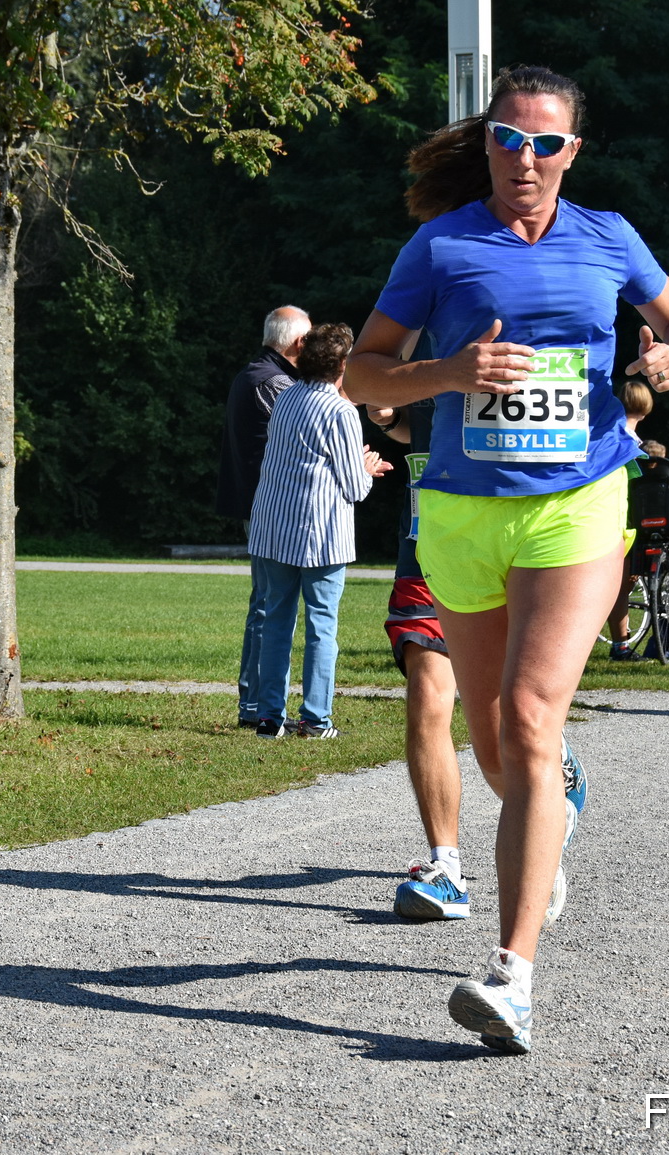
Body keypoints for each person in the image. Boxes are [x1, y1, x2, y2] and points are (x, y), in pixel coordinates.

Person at [345, 64, 669, 1053]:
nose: (526, 158)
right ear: (489, 143)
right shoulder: (442, 243)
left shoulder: (607, 236)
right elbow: (359, 371)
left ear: (571, 153)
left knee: (534, 721)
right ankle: (552, 820)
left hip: (579, 504)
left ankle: (512, 977)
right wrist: (448, 372)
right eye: (510, 139)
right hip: (464, 514)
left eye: (547, 143)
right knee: (498, 737)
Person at [369, 397, 487, 921]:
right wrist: (389, 414)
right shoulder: (425, 349)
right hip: (426, 556)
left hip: (508, 559)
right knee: (426, 695)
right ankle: (448, 870)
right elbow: (409, 424)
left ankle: (554, 766)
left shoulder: (532, 347)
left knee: (511, 716)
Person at [247, 322, 390, 739]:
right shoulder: (341, 410)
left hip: (274, 527)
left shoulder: (286, 398)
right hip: (320, 535)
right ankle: (315, 720)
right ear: (344, 363)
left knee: (276, 622)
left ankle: (269, 717)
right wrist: (366, 468)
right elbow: (353, 487)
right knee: (321, 627)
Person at [217, 306, 311, 727]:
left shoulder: (254, 374)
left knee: (265, 603)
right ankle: (254, 706)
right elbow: (304, 437)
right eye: (310, 339)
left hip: (258, 504)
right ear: (297, 343)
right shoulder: (274, 383)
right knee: (268, 606)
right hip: (268, 507)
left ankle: (254, 704)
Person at [604, 379, 656, 661]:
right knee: (619, 588)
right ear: (646, 409)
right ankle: (619, 645)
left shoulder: (608, 434)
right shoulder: (629, 443)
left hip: (612, 518)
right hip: (621, 521)